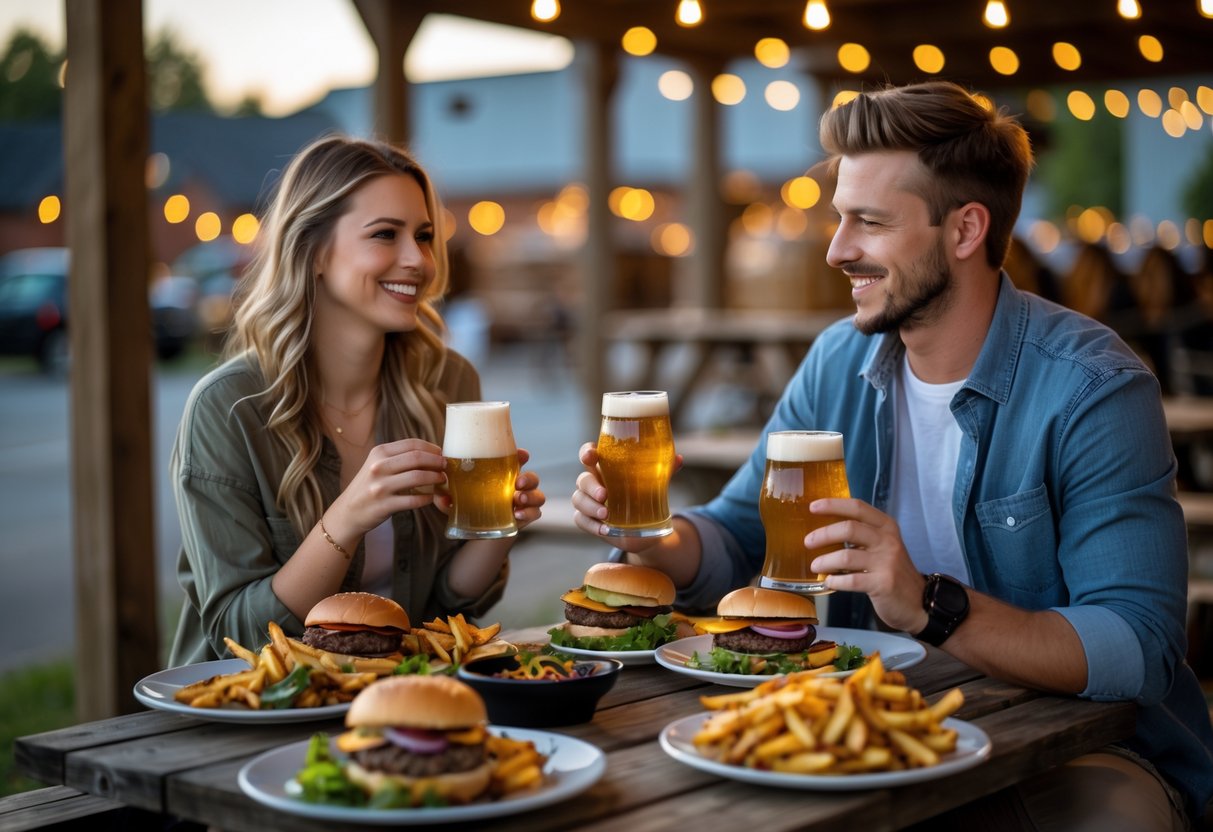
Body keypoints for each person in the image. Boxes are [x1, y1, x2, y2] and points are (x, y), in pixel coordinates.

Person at [572, 81, 1213, 830]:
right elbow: (734, 539)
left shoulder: (1092, 388)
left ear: (964, 230)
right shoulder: (837, 359)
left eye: (867, 223)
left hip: (1074, 749)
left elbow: (1135, 647)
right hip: (872, 735)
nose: (837, 250)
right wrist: (651, 537)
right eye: (839, 219)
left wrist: (930, 606)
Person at [169, 135, 544, 666]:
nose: (418, 259)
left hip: (392, 693)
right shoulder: (228, 407)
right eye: (385, 235)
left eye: (424, 235)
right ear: (315, 250)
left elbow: (442, 609)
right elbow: (241, 633)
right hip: (251, 710)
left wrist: (500, 528)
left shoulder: (447, 381)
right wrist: (347, 518)